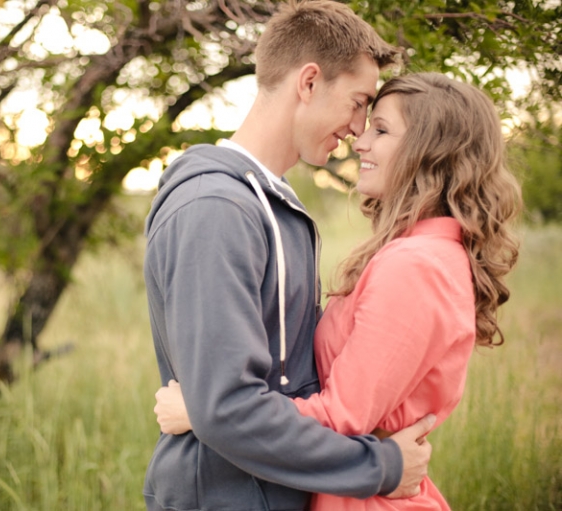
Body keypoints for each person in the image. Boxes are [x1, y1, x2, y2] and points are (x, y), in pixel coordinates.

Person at [153, 72, 523, 510]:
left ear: (431, 152)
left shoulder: (417, 266)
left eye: (381, 130)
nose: (360, 141)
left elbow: (342, 417)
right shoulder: (415, 253)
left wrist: (206, 416)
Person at [142, 2, 438, 510]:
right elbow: (229, 408)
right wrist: (379, 467)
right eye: (357, 101)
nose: (358, 128)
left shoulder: (275, 207)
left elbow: (271, 382)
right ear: (308, 82)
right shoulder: (215, 210)